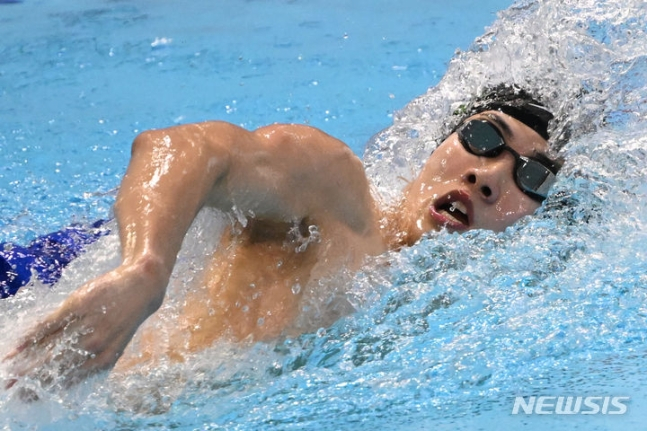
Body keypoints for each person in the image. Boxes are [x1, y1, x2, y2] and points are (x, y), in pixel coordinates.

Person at [2, 84, 564, 388]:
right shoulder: (335, 190)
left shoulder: (452, 316)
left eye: (531, 177)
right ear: (440, 143)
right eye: (486, 136)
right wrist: (143, 272)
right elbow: (184, 147)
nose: (488, 176)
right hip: (46, 350)